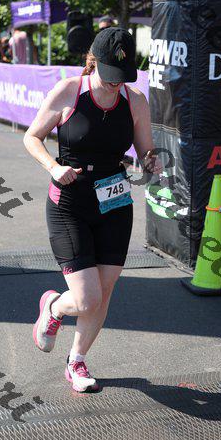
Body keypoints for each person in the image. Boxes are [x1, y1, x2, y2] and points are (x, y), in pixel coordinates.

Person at [23, 27, 163, 393]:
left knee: (105, 289)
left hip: (114, 202)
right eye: (110, 75)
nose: (116, 83)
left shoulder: (134, 100)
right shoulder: (69, 91)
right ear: (93, 61)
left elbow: (145, 150)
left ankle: (77, 361)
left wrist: (152, 163)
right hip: (70, 204)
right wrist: (53, 166)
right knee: (87, 298)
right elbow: (32, 136)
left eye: (123, 77)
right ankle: (54, 308)